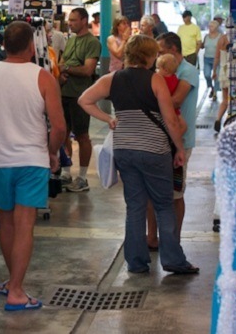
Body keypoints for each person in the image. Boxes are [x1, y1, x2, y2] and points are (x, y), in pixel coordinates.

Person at [78, 35, 198, 275]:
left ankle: (135, 262)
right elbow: (171, 120)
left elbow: (84, 100)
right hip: (154, 150)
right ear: (149, 56)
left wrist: (109, 119)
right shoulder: (155, 79)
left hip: (124, 149)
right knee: (164, 205)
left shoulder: (111, 79)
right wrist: (180, 149)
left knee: (135, 206)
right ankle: (173, 260)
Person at [0, 21, 66, 311]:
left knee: (7, 223)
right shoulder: (42, 77)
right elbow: (59, 127)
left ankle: (13, 282)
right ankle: (16, 291)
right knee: (25, 226)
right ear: (29, 46)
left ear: (3, 45)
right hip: (31, 161)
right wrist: (51, 151)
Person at [152, 32, 199, 244]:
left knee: (175, 193)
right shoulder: (160, 72)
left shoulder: (187, 72)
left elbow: (176, 101)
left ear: (173, 50)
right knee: (154, 191)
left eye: (160, 51)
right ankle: (153, 236)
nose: (157, 56)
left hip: (180, 141)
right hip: (160, 140)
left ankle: (174, 239)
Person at [58, 7, 101, 192]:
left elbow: (87, 70)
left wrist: (66, 68)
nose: (70, 23)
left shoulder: (92, 43)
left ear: (84, 20)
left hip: (80, 95)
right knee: (63, 133)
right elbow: (60, 63)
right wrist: (63, 70)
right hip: (64, 92)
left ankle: (82, 178)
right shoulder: (70, 40)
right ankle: (66, 172)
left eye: (74, 20)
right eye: (70, 20)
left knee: (82, 135)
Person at [156, 54, 188, 135]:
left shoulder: (162, 80)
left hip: (168, 109)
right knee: (183, 126)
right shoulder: (175, 78)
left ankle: (172, 139)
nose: (157, 70)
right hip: (176, 111)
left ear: (166, 70)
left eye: (158, 68)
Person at [213, 32, 230, 132]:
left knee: (225, 99)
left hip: (223, 72)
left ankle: (218, 119)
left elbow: (217, 57)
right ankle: (229, 119)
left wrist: (214, 71)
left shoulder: (222, 39)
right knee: (234, 99)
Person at [201, 20, 222, 100]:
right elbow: (203, 46)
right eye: (209, 26)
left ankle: (215, 93)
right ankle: (211, 88)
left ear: (216, 27)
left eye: (212, 26)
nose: (210, 28)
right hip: (207, 59)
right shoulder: (206, 36)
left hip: (217, 59)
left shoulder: (220, 36)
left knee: (216, 77)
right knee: (206, 75)